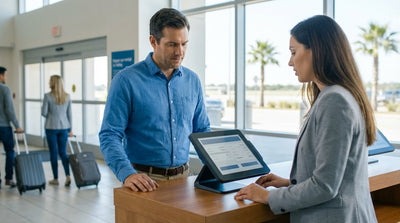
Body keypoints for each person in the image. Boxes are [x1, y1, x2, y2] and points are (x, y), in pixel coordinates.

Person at [234, 15, 378, 223]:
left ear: (317, 51)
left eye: (294, 52)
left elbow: (325, 187)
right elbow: (334, 176)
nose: (290, 61)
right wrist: (289, 183)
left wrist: (267, 196)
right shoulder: (340, 95)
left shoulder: (334, 101)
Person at [99, 8, 210, 192]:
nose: (180, 52)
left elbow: (201, 130)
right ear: (153, 41)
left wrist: (219, 167)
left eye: (184, 44)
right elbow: (109, 134)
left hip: (184, 179)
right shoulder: (126, 80)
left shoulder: (192, 80)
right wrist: (127, 173)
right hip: (143, 181)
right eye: (172, 44)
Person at [41, 75, 73, 186]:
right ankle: (68, 175)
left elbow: (44, 113)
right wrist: (70, 129)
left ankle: (55, 178)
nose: (48, 82)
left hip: (51, 127)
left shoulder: (48, 96)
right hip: (64, 127)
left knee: (53, 153)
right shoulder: (67, 96)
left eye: (50, 81)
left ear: (53, 83)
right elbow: (69, 115)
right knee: (63, 152)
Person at [0, 66, 24, 188]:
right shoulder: (5, 89)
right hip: (3, 126)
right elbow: (9, 110)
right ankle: (8, 178)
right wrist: (17, 126)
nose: (6, 77)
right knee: (10, 151)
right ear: (1, 75)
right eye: (5, 75)